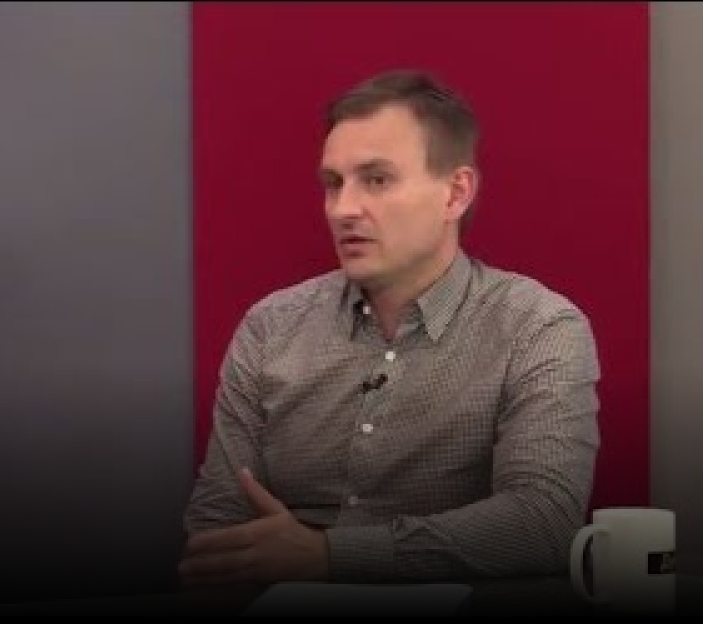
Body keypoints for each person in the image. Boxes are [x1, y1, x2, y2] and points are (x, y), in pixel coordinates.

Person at [178, 69, 601, 588]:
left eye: (376, 180)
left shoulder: (538, 327)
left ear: (455, 194)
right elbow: (217, 524)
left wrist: (330, 556)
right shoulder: (271, 327)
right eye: (333, 184)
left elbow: (543, 523)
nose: (343, 209)